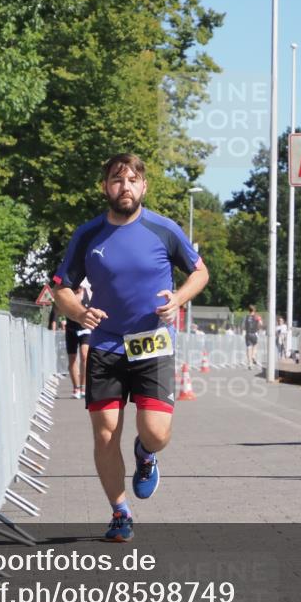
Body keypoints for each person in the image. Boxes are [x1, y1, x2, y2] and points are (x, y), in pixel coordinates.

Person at [52, 154, 209, 541]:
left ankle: (145, 453)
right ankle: (120, 512)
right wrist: (78, 311)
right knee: (105, 432)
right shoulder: (88, 234)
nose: (125, 187)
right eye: (117, 180)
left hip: (151, 342)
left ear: (144, 187)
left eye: (133, 180)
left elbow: (200, 271)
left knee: (155, 432)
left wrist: (178, 299)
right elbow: (61, 287)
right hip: (105, 344)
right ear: (106, 187)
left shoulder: (163, 229)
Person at [64, 283, 92, 398]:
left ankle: (83, 386)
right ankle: (76, 388)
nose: (78, 288)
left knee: (85, 355)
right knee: (72, 359)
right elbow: (61, 307)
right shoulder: (68, 292)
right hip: (71, 329)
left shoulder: (88, 292)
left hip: (85, 329)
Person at [243, 304, 262, 369]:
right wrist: (258, 328)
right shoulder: (257, 316)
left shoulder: (246, 317)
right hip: (254, 333)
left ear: (249, 310)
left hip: (247, 334)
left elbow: (243, 326)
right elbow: (261, 323)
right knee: (255, 345)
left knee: (248, 348)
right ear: (254, 310)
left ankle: (250, 364)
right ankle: (253, 356)